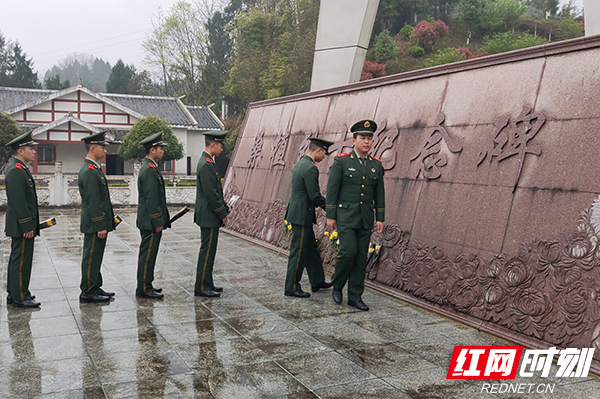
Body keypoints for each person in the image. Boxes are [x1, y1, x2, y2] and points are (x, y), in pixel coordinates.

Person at [326, 120, 385, 311]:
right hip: (346, 216)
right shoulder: (342, 161)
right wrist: (330, 216)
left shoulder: (376, 165)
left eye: (369, 138)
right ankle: (337, 284)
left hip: (365, 218)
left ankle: (355, 296)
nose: (366, 142)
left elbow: (379, 193)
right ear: (354, 140)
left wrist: (380, 218)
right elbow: (332, 190)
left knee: (361, 257)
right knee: (348, 252)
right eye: (363, 138)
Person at [284, 137, 334, 298]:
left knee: (311, 248)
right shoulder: (311, 168)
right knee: (298, 251)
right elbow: (315, 196)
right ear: (318, 150)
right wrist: (332, 209)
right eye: (324, 153)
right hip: (301, 214)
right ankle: (291, 286)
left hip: (298, 212)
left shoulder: (300, 163)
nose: (323, 157)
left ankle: (317, 280)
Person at [78, 131, 116, 303]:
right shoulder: (89, 171)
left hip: (97, 223)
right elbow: (93, 202)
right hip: (94, 224)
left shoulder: (94, 169)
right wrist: (100, 224)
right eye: (102, 147)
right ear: (92, 148)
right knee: (91, 256)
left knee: (96, 256)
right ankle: (87, 290)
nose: (105, 151)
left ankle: (94, 286)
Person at [4, 131, 41, 308]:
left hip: (22, 224)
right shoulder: (16, 171)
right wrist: (27, 225)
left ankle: (16, 292)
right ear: (20, 151)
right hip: (21, 225)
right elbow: (18, 202)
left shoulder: (20, 169)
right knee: (21, 260)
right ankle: (19, 296)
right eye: (30, 149)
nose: (34, 152)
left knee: (20, 259)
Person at [194, 131, 230, 297]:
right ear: (213, 144)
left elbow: (216, 192)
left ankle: (207, 283)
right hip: (209, 215)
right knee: (207, 251)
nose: (222, 148)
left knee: (209, 251)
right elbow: (211, 194)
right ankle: (201, 286)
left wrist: (223, 204)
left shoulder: (208, 162)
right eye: (221, 145)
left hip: (209, 214)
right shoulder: (207, 164)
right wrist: (222, 212)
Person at [136, 132, 171, 299]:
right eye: (160, 148)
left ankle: (147, 284)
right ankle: (143, 288)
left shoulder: (151, 167)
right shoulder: (149, 170)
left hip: (150, 220)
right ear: (152, 150)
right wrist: (158, 220)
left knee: (151, 254)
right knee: (147, 254)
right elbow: (151, 198)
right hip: (149, 221)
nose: (162, 151)